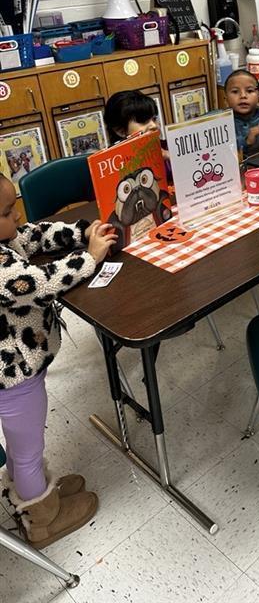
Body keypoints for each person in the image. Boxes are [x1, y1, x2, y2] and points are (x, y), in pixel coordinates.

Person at [0, 172, 117, 548]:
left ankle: (33, 493)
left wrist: (81, 232)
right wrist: (91, 255)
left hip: (19, 371)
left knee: (23, 447)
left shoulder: (6, 238)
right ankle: (42, 521)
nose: (17, 219)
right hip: (12, 379)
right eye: (7, 213)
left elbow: (35, 234)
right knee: (29, 449)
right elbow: (43, 280)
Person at [104, 90, 171, 181]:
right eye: (143, 121)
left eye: (154, 119)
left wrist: (169, 156)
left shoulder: (168, 147)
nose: (154, 125)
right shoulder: (110, 167)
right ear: (120, 131)